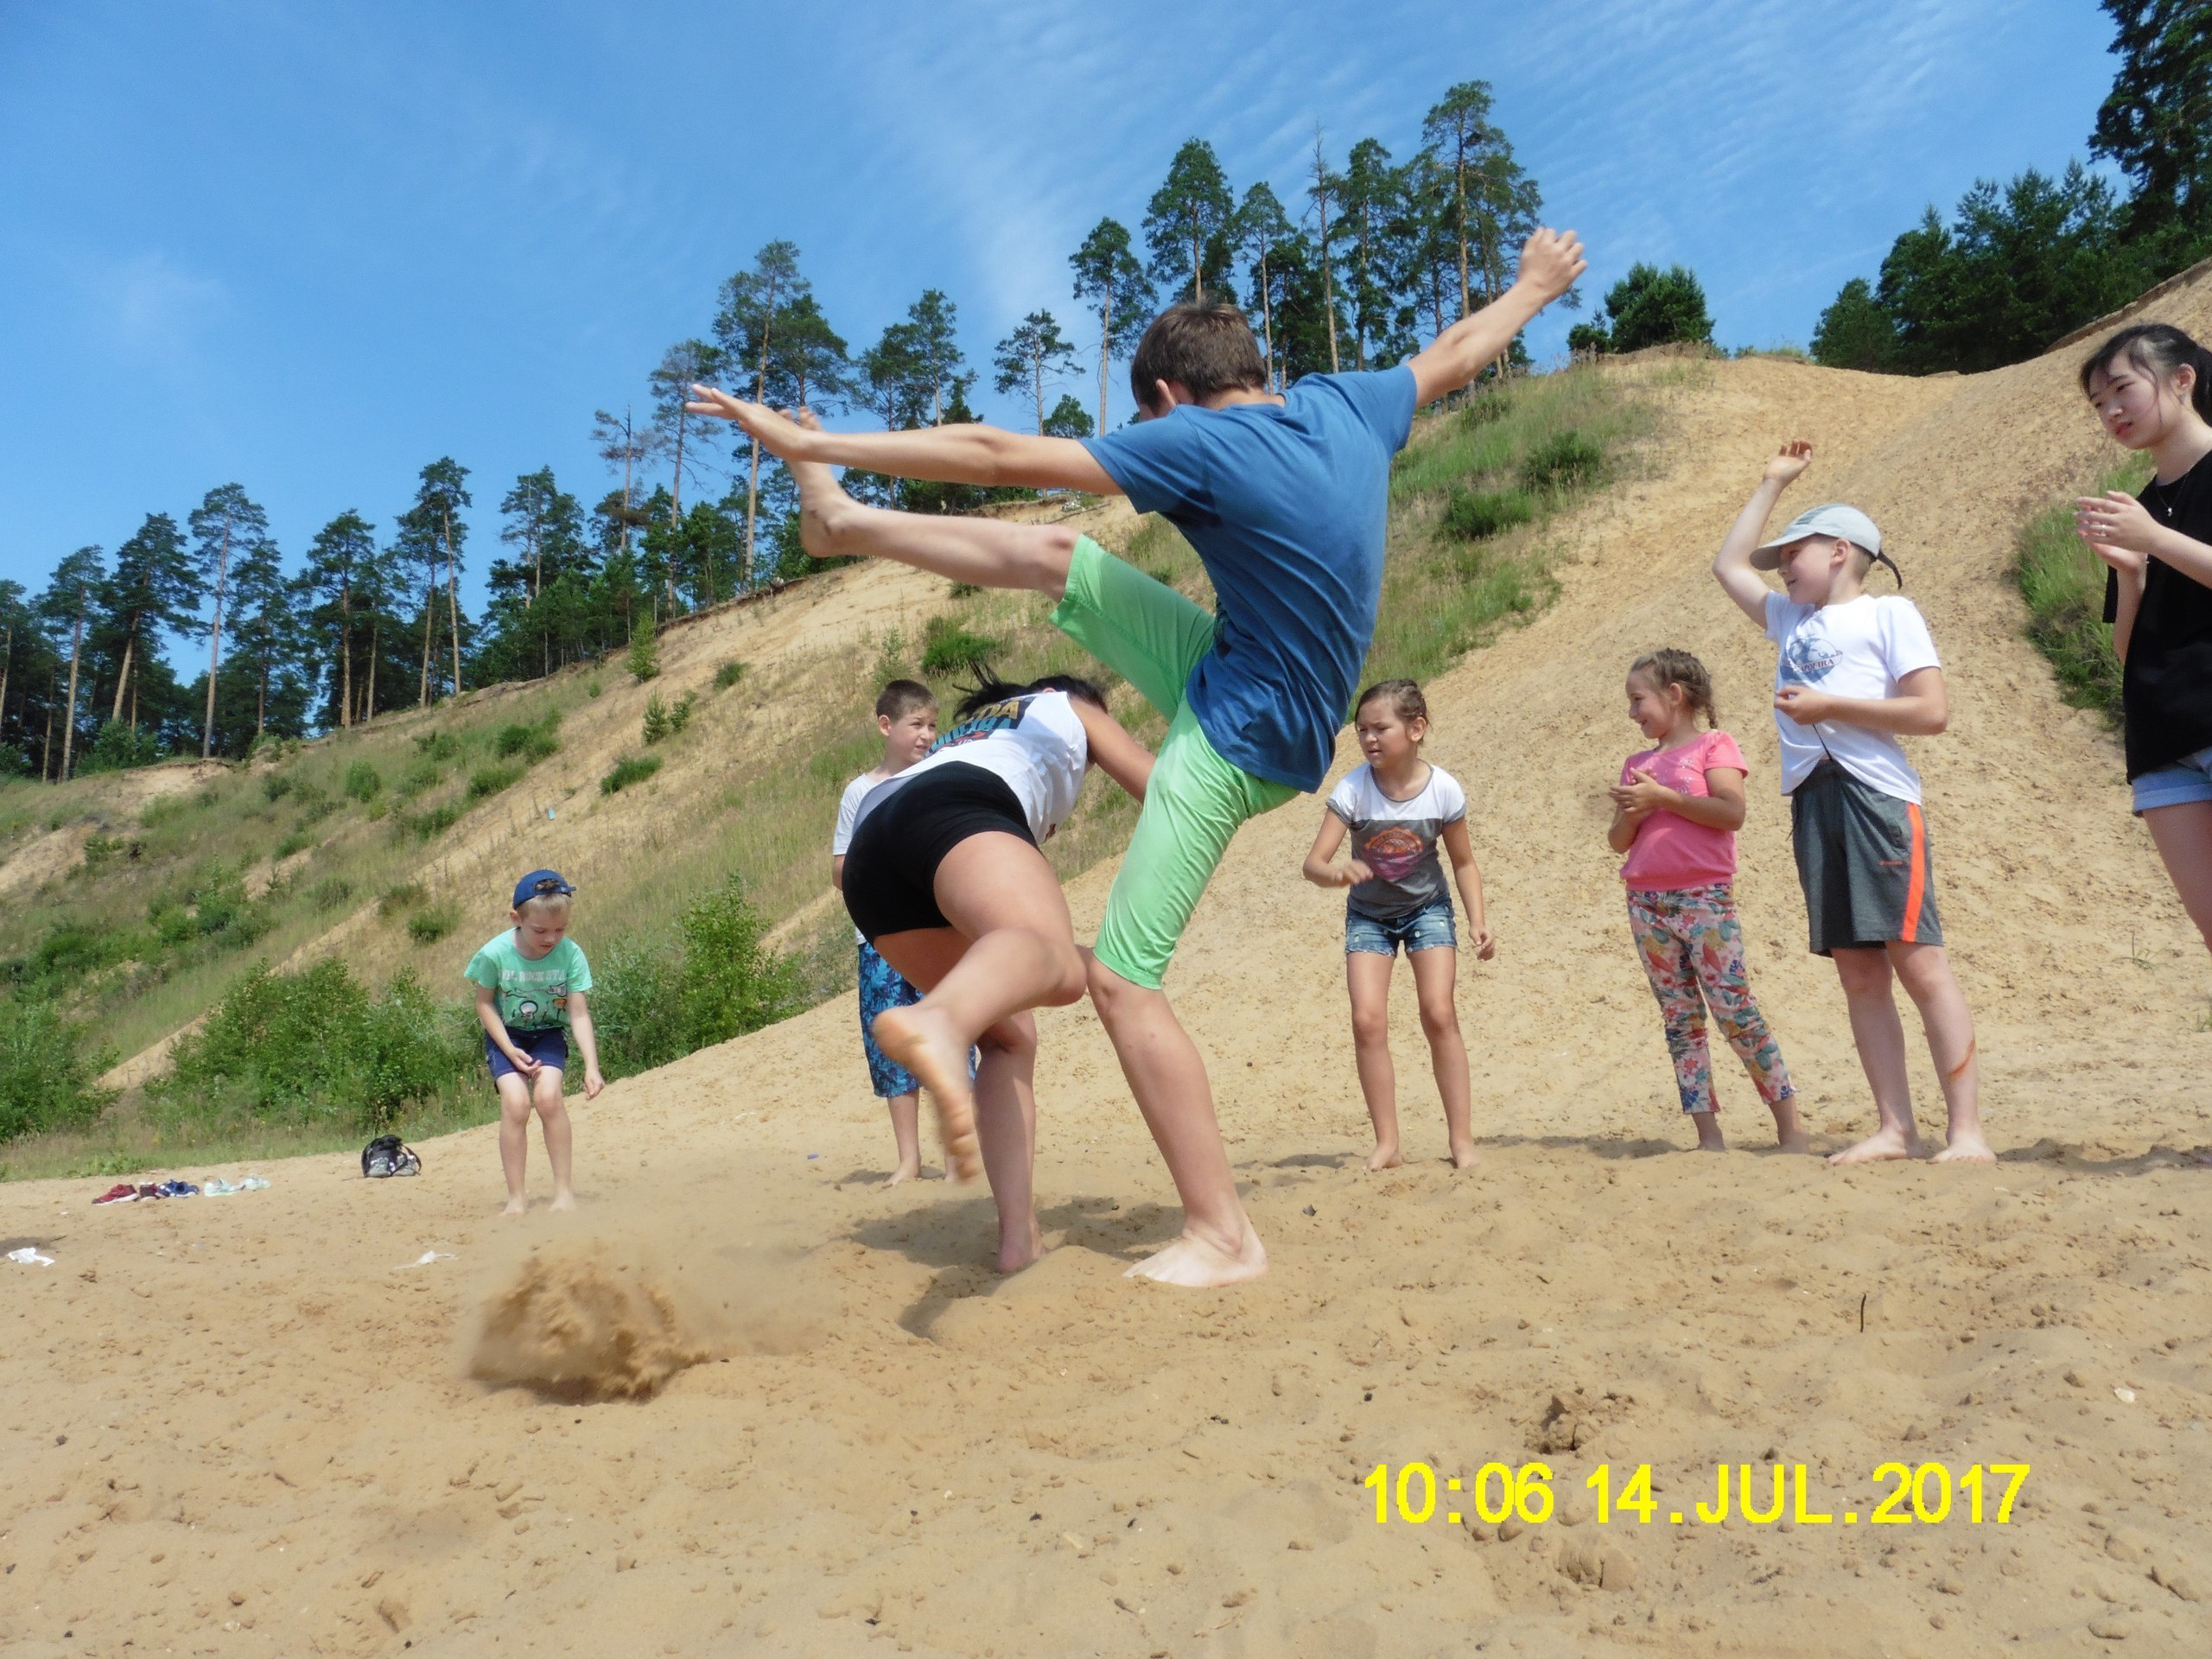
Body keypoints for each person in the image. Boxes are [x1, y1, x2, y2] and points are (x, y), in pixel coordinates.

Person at [690, 227, 1586, 1285]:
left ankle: (1224, 1234)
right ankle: (847, 527)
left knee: (1122, 980)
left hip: (1245, 735)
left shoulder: (1197, 443)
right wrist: (1531, 285)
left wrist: (817, 439)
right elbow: (1458, 352)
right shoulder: (1343, 403)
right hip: (1236, 663)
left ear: (1164, 394)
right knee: (1066, 559)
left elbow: (994, 456)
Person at [1711, 442, 1993, 1166]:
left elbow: (1931, 712)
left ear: (1840, 551)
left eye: (1794, 554)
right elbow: (1727, 566)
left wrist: (1832, 703)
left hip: (1877, 799)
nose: (1783, 569)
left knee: (1920, 964)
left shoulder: (1889, 612)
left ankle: (1967, 1134)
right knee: (1859, 971)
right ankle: (1895, 1128)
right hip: (1813, 800)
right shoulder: (1788, 620)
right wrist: (1772, 482)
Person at [840, 672, 1154, 1273]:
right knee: (1058, 967)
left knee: (1009, 1036)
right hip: (953, 810)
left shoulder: (971, 737)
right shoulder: (1066, 707)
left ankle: (1019, 1240)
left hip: (871, 853)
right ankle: (939, 1019)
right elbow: (1163, 789)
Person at [1605, 649, 1802, 1153]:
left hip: (1704, 900)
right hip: (1646, 902)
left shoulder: (1715, 745)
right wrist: (1632, 809)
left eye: (1637, 700)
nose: (1632, 714)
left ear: (1674, 695)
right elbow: (1618, 842)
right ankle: (1708, 1137)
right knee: (1680, 1018)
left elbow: (1731, 812)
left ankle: (1790, 1132)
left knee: (1734, 1011)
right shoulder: (1638, 764)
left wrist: (1663, 799)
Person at [1300, 679, 1491, 1171]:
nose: (1369, 739)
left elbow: (1464, 862)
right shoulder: (1353, 789)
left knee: (1439, 1013)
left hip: (1428, 908)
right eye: (1361, 730)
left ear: (1416, 728)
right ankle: (1387, 1144)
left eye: (1380, 728)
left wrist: (1478, 921)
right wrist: (1336, 873)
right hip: (1368, 915)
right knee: (1367, 1020)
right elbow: (1313, 864)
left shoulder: (1444, 789)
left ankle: (1462, 1142)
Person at [2075, 323, 2212, 961]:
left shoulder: (2146, 519)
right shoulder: (2137, 509)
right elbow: (2131, 656)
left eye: (2121, 389)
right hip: (2163, 749)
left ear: (2182, 380)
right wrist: (2131, 575)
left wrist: (2153, 541)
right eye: (2099, 403)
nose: (2111, 411)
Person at [832, 678, 942, 1185]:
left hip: (941, 932)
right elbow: (839, 869)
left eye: (932, 725)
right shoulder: (861, 791)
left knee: (951, 1039)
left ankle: (968, 1153)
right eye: (916, 725)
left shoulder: (943, 775)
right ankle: (909, 1160)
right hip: (880, 939)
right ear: (886, 725)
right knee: (893, 1047)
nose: (926, 735)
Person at [466, 869, 605, 1213]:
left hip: (547, 1034)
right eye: (540, 930)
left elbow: (578, 1013)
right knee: (516, 1105)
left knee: (548, 1098)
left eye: (560, 929)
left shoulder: (571, 954)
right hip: (506, 1034)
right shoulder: (494, 954)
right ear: (516, 918)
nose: (551, 938)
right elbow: (483, 1003)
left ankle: (563, 1194)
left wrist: (592, 1066)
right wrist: (508, 1049)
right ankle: (516, 1198)